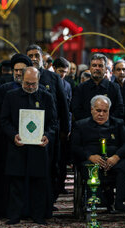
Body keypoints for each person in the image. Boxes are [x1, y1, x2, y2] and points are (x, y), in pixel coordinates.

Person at [0, 67, 57, 225]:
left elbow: (53, 122)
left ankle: (38, 215)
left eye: (33, 84)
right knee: (16, 182)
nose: (30, 87)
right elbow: (4, 120)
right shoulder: (11, 96)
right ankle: (14, 215)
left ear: (39, 81)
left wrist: (48, 135)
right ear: (21, 80)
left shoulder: (46, 97)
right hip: (17, 145)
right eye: (27, 83)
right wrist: (13, 136)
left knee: (38, 182)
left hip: (39, 147)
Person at [26, 44, 69, 212]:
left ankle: (49, 202)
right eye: (30, 55)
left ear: (43, 58)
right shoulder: (24, 77)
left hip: (50, 131)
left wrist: (65, 129)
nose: (34, 58)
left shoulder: (53, 78)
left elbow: (63, 106)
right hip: (28, 132)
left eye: (37, 55)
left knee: (52, 167)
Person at [71, 95, 125, 211]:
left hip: (113, 160)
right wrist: (89, 156)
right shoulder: (81, 125)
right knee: (88, 167)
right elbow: (74, 146)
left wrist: (116, 156)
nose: (101, 114)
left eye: (105, 111)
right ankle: (98, 200)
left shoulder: (118, 124)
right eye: (98, 110)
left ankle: (120, 202)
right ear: (91, 110)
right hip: (92, 161)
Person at [0, 53, 33, 218]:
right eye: (16, 70)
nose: (18, 73)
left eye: (22, 70)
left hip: (28, 142)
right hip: (5, 141)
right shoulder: (5, 90)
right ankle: (2, 210)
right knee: (4, 178)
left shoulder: (36, 89)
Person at [71, 53, 124, 121]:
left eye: (100, 66)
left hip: (109, 127)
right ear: (90, 68)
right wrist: (92, 122)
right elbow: (76, 110)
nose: (97, 68)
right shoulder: (80, 88)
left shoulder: (114, 87)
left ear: (105, 69)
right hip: (86, 128)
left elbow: (119, 110)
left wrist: (105, 122)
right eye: (94, 65)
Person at [53, 57, 72, 194]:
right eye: (60, 71)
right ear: (54, 69)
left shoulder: (68, 86)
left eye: (65, 72)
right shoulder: (49, 81)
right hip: (53, 126)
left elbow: (69, 108)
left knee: (63, 159)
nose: (62, 74)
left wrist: (68, 127)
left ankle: (61, 185)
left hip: (63, 127)